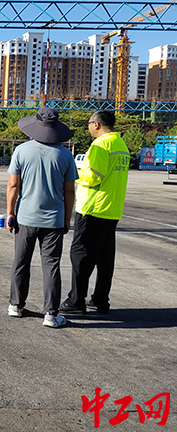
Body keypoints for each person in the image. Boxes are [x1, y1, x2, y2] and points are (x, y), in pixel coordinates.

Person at [6, 107, 78, 328]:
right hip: (54, 220)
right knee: (51, 266)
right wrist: (67, 218)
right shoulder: (65, 155)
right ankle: (51, 315)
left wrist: (10, 213)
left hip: (26, 218)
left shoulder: (21, 151)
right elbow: (69, 191)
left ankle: (16, 306)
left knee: (21, 262)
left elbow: (13, 186)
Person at [60, 110, 129, 316]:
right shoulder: (120, 145)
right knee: (105, 259)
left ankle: (76, 301)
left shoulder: (100, 145)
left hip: (93, 208)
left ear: (96, 124)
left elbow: (92, 177)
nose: (88, 127)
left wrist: (74, 176)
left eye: (89, 123)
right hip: (112, 209)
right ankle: (100, 300)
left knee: (81, 255)